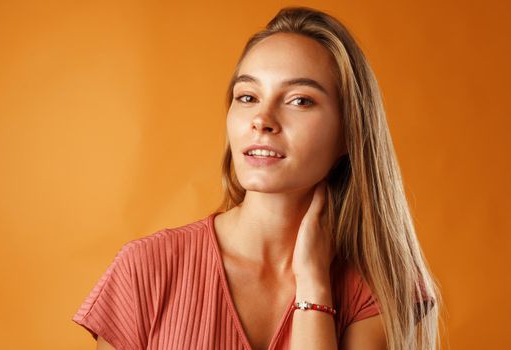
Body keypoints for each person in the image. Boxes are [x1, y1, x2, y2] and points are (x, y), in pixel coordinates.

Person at [72, 6, 441, 350]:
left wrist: (314, 284)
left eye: (299, 100)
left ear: (350, 133)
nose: (261, 119)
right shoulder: (146, 268)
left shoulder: (380, 286)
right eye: (247, 96)